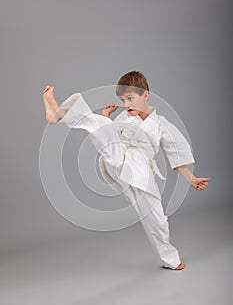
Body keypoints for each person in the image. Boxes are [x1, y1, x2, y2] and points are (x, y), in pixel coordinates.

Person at [42, 71, 212, 271]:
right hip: (116, 158)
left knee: (157, 219)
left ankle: (171, 259)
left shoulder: (161, 124)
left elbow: (175, 153)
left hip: (140, 172)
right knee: (104, 128)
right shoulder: (123, 117)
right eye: (122, 99)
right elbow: (107, 135)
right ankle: (59, 114)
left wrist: (191, 179)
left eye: (130, 98)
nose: (126, 104)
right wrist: (106, 117)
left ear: (145, 95)